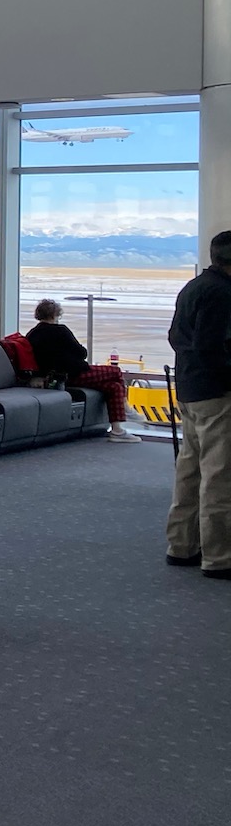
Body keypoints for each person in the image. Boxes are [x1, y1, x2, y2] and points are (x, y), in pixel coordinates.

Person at [167, 231, 231, 577]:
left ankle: (182, 545)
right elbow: (213, 347)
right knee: (221, 475)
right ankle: (220, 557)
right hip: (217, 394)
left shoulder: (194, 286)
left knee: (189, 471)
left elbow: (175, 337)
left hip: (190, 388)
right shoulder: (223, 294)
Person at [25, 299, 139, 442]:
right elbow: (81, 353)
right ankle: (125, 406)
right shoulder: (61, 331)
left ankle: (117, 431)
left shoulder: (33, 334)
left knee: (114, 387)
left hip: (55, 377)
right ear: (56, 315)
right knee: (115, 371)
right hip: (72, 374)